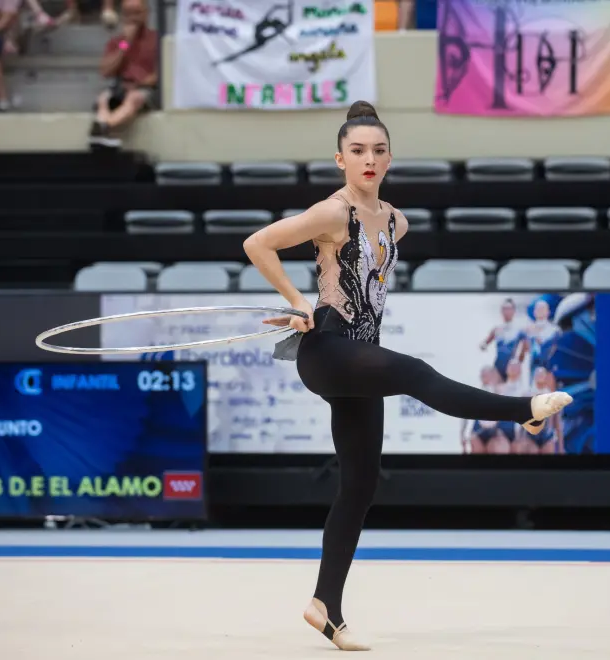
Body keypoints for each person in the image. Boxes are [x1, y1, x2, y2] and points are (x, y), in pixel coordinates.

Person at [242, 100, 573, 651]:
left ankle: (326, 607)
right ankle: (523, 412)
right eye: (357, 151)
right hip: (327, 349)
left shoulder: (398, 221)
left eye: (378, 150)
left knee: (361, 483)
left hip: (360, 356)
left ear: (390, 158)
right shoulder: (332, 212)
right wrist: (298, 301)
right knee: (415, 372)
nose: (368, 159)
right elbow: (257, 244)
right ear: (340, 159)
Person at [88, 0, 158, 149]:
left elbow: (160, 74)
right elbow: (105, 71)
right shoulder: (118, 42)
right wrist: (125, 44)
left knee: (134, 97)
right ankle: (102, 133)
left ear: (146, 14)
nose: (133, 18)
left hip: (145, 88)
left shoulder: (155, 40)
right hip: (121, 85)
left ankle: (104, 126)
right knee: (103, 98)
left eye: (137, 13)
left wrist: (139, 84)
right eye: (128, 14)